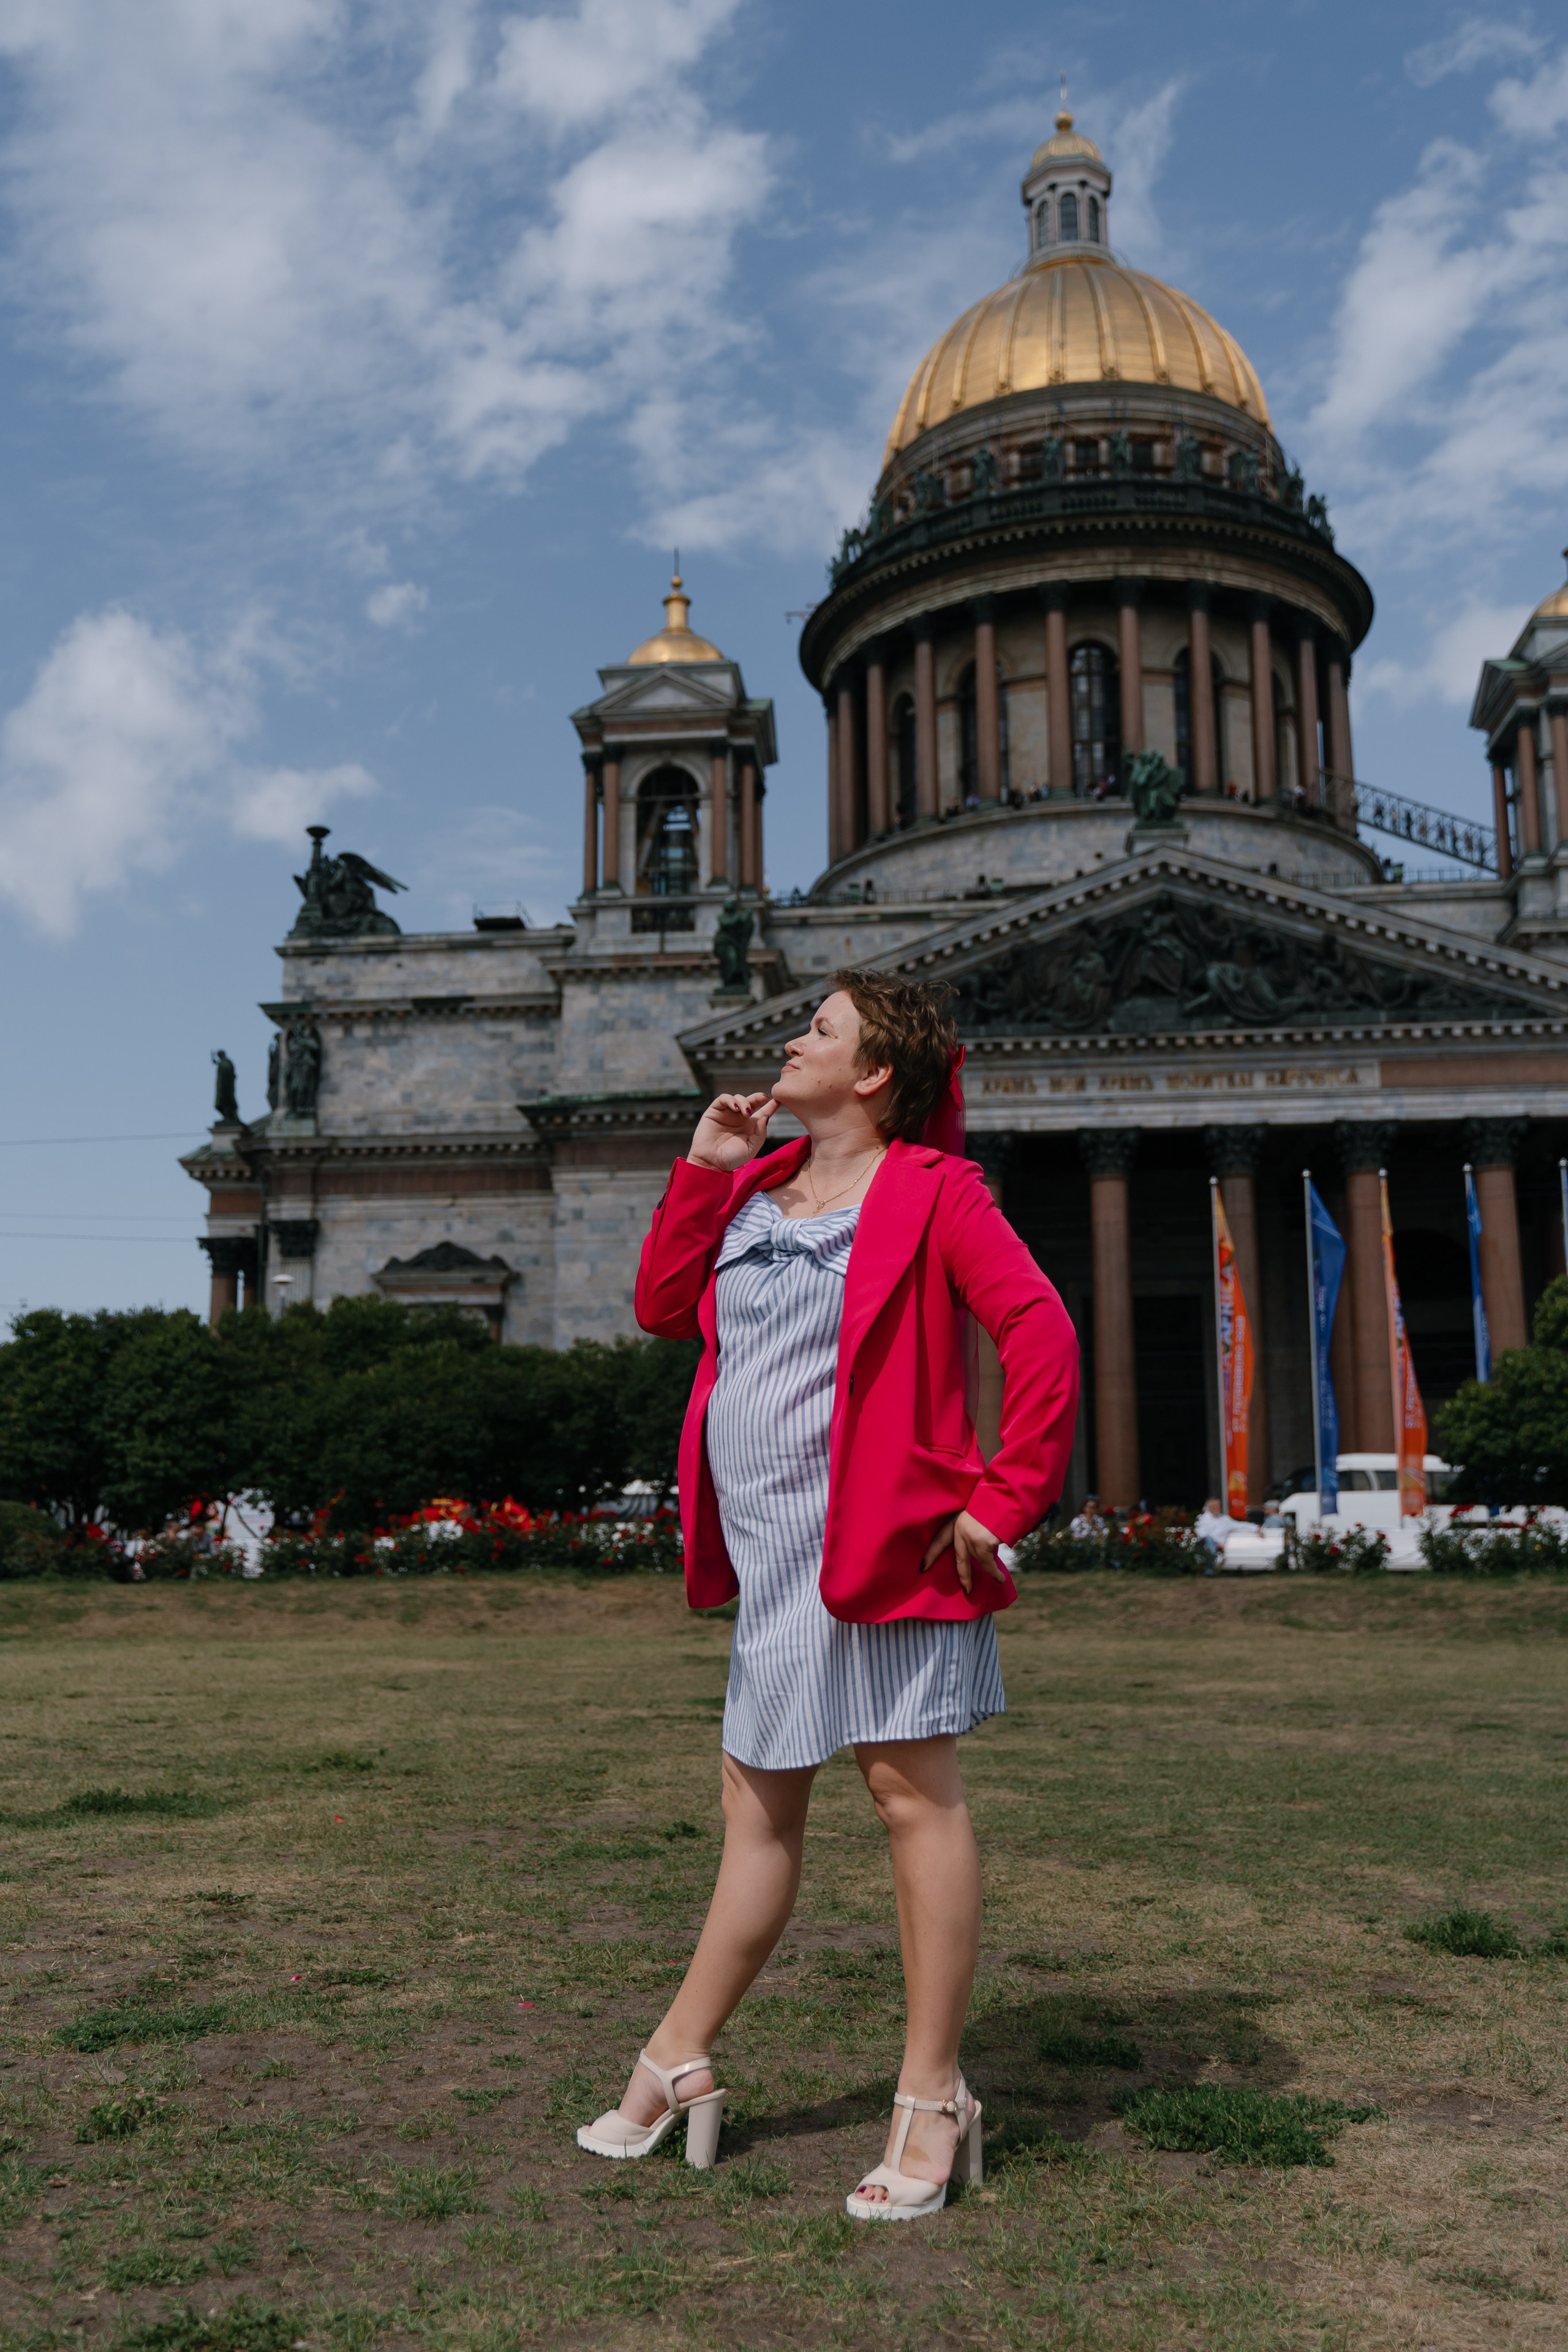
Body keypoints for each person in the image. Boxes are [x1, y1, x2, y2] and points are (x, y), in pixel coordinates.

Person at [576, 970, 1079, 2217]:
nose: (790, 1041)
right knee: (756, 1814)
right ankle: (676, 2057)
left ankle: (929, 2096)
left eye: (820, 1029)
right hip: (770, 1561)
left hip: (892, 1551)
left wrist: (1001, 1501)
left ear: (872, 1075)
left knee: (913, 1802)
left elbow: (1041, 1335)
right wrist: (701, 1167)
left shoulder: (933, 1192)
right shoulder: (748, 1188)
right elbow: (658, 1308)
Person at [1194, 1495, 1242, 1570]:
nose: (1217, 1507)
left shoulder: (1225, 1519)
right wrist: (1216, 1543)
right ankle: (1210, 1570)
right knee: (1209, 1540)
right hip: (1204, 1545)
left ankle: (1211, 1569)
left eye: (1218, 1505)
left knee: (1212, 1546)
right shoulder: (1202, 1518)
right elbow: (1201, 1533)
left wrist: (1256, 1529)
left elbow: (1240, 1525)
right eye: (1214, 1506)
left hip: (1219, 1547)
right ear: (1209, 1507)